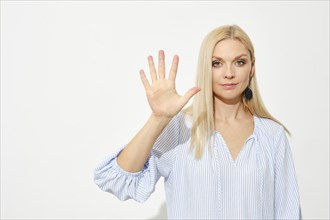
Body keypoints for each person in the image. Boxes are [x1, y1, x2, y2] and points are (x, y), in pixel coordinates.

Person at [94, 24, 302, 219]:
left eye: (239, 62)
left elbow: (288, 212)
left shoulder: (272, 135)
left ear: (252, 67)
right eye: (217, 63)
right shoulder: (180, 128)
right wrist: (158, 119)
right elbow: (115, 179)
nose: (229, 73)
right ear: (205, 68)